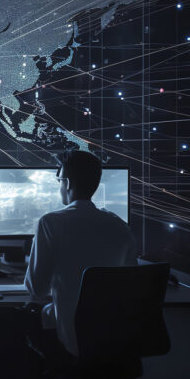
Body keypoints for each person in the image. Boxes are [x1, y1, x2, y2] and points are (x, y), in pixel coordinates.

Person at [25, 150, 137, 357]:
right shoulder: (120, 226)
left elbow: (36, 289)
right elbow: (131, 281)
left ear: (66, 183)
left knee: (23, 315)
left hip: (73, 335)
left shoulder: (51, 222)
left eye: (58, 180)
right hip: (116, 334)